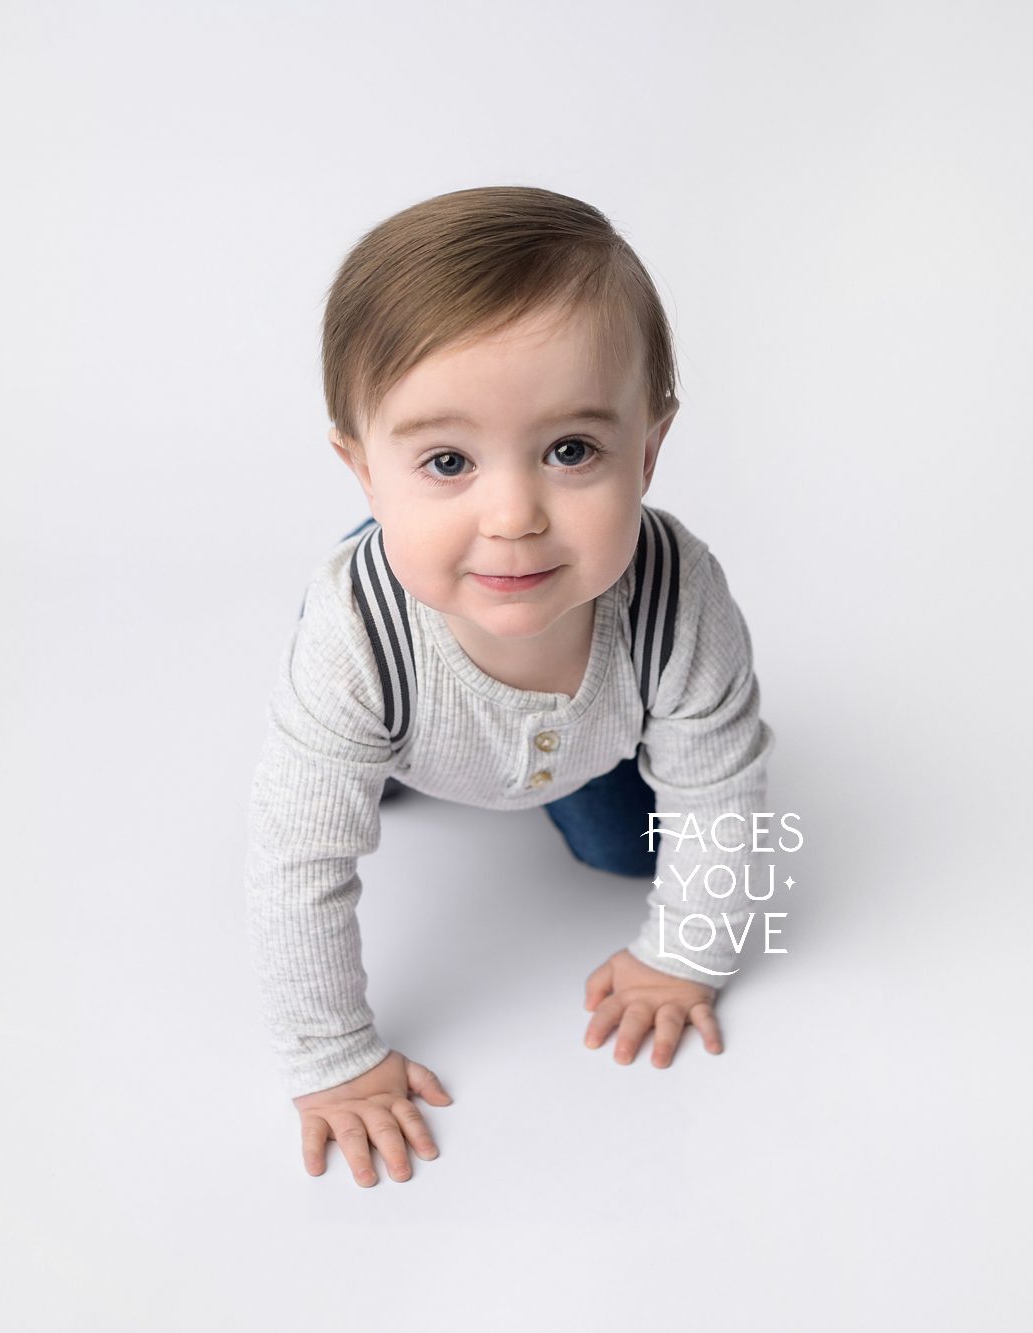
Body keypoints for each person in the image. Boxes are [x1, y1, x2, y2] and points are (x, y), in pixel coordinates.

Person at [245, 186, 777, 1187]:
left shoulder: (678, 594)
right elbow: (294, 862)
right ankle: (386, 755)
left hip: (592, 735)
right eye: (445, 460)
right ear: (363, 471)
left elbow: (718, 790)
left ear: (647, 450)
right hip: (410, 704)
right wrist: (332, 1063)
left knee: (627, 852)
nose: (512, 515)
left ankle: (540, 777)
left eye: (570, 451)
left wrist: (682, 955)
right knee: (342, 782)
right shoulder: (355, 629)